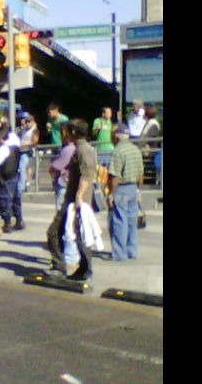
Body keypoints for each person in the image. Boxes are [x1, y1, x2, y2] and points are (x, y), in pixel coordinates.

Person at [46, 119, 97, 282]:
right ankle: (73, 268)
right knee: (66, 232)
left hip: (77, 201)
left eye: (67, 130)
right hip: (72, 199)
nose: (65, 133)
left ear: (74, 132)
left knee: (63, 233)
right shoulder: (79, 148)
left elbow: (87, 174)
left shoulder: (83, 149)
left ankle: (80, 269)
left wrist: (79, 197)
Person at [107, 123, 144, 261]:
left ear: (117, 135)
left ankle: (119, 253)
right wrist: (138, 190)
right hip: (133, 188)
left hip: (121, 189)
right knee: (131, 221)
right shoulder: (135, 149)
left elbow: (115, 175)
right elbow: (141, 173)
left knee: (119, 221)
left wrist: (111, 193)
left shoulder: (118, 151)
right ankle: (131, 251)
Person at [0, 127, 23, 233]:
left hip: (5, 177)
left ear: (1, 138)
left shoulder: (4, 148)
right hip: (15, 174)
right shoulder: (15, 146)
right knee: (16, 199)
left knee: (4, 199)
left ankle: (7, 224)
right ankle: (19, 221)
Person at [49, 124, 76, 212]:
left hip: (64, 184)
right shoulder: (75, 147)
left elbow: (54, 168)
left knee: (61, 212)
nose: (61, 136)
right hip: (71, 183)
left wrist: (52, 171)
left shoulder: (68, 149)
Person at [139, 106, 161, 184]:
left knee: (148, 170)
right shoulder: (149, 122)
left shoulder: (153, 124)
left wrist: (138, 146)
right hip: (145, 150)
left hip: (149, 152)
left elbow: (148, 137)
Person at [18, 113, 39, 194]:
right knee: (24, 169)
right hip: (22, 151)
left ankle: (21, 187)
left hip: (28, 151)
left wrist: (23, 144)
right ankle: (25, 185)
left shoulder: (34, 130)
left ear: (33, 122)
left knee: (23, 169)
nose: (27, 123)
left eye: (29, 122)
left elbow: (34, 141)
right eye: (26, 122)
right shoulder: (24, 129)